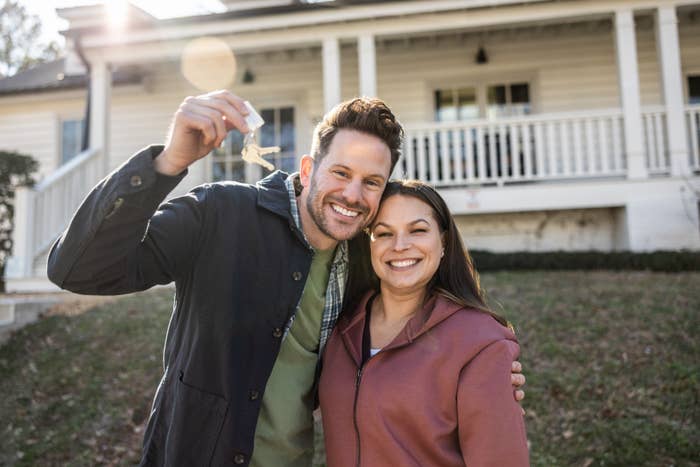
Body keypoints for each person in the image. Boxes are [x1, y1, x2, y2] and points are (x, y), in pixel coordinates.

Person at [47, 90, 525, 467]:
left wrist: (487, 372)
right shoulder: (221, 213)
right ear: (308, 168)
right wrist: (168, 162)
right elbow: (78, 269)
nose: (352, 194)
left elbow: (415, 331)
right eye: (340, 172)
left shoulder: (367, 256)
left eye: (371, 182)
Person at [319, 179, 529, 466]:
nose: (400, 246)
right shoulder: (339, 327)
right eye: (383, 233)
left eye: (417, 230)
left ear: (443, 242)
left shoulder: (481, 343)